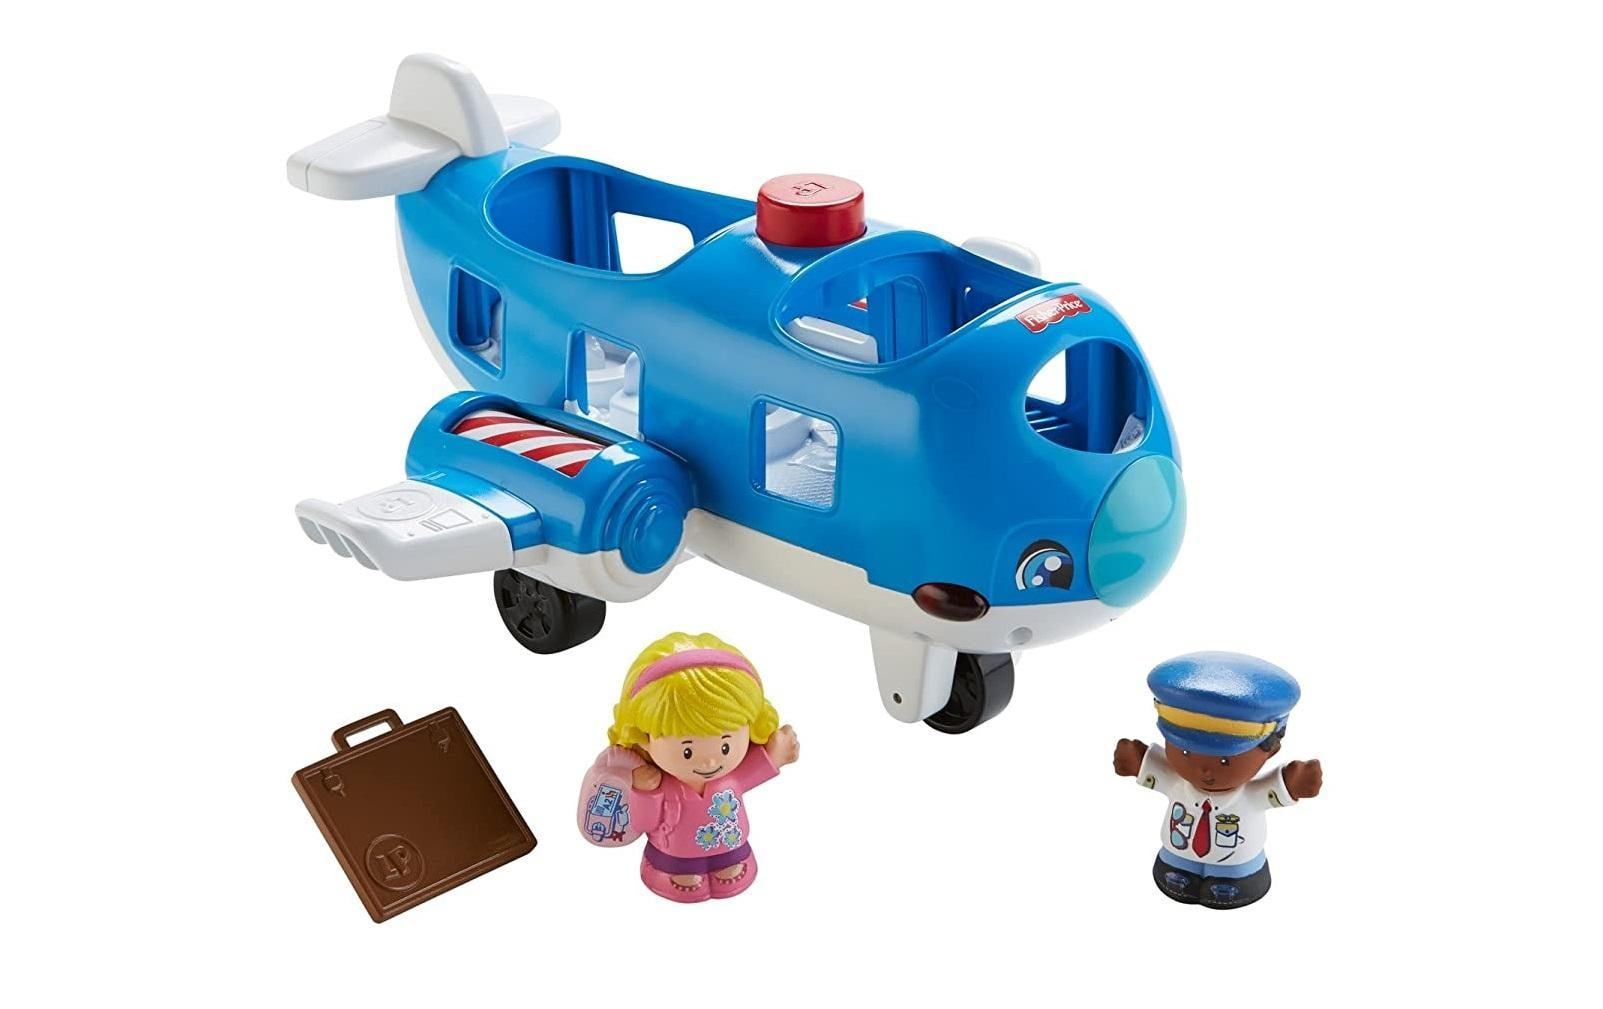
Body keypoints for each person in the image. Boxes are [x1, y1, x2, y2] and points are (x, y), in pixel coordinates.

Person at [1113, 651, 1322, 909]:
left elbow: (1272, 791)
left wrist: (1293, 783)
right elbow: (1157, 771)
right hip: (1176, 854)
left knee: (1234, 882)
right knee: (1176, 873)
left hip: (1238, 864)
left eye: (1224, 760)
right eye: (1185, 752)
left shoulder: (1249, 796)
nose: (1204, 771)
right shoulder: (1179, 783)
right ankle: (1182, 872)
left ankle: (1232, 880)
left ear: (1271, 749)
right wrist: (1138, 761)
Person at [608, 632, 799, 902]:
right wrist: (644, 791)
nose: (710, 762)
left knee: (731, 862)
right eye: (687, 751)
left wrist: (775, 756)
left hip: (731, 844)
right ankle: (676, 869)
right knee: (681, 870)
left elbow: (753, 772)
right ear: (644, 738)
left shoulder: (729, 779)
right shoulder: (662, 785)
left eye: (725, 747)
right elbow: (642, 822)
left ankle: (726, 862)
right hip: (674, 853)